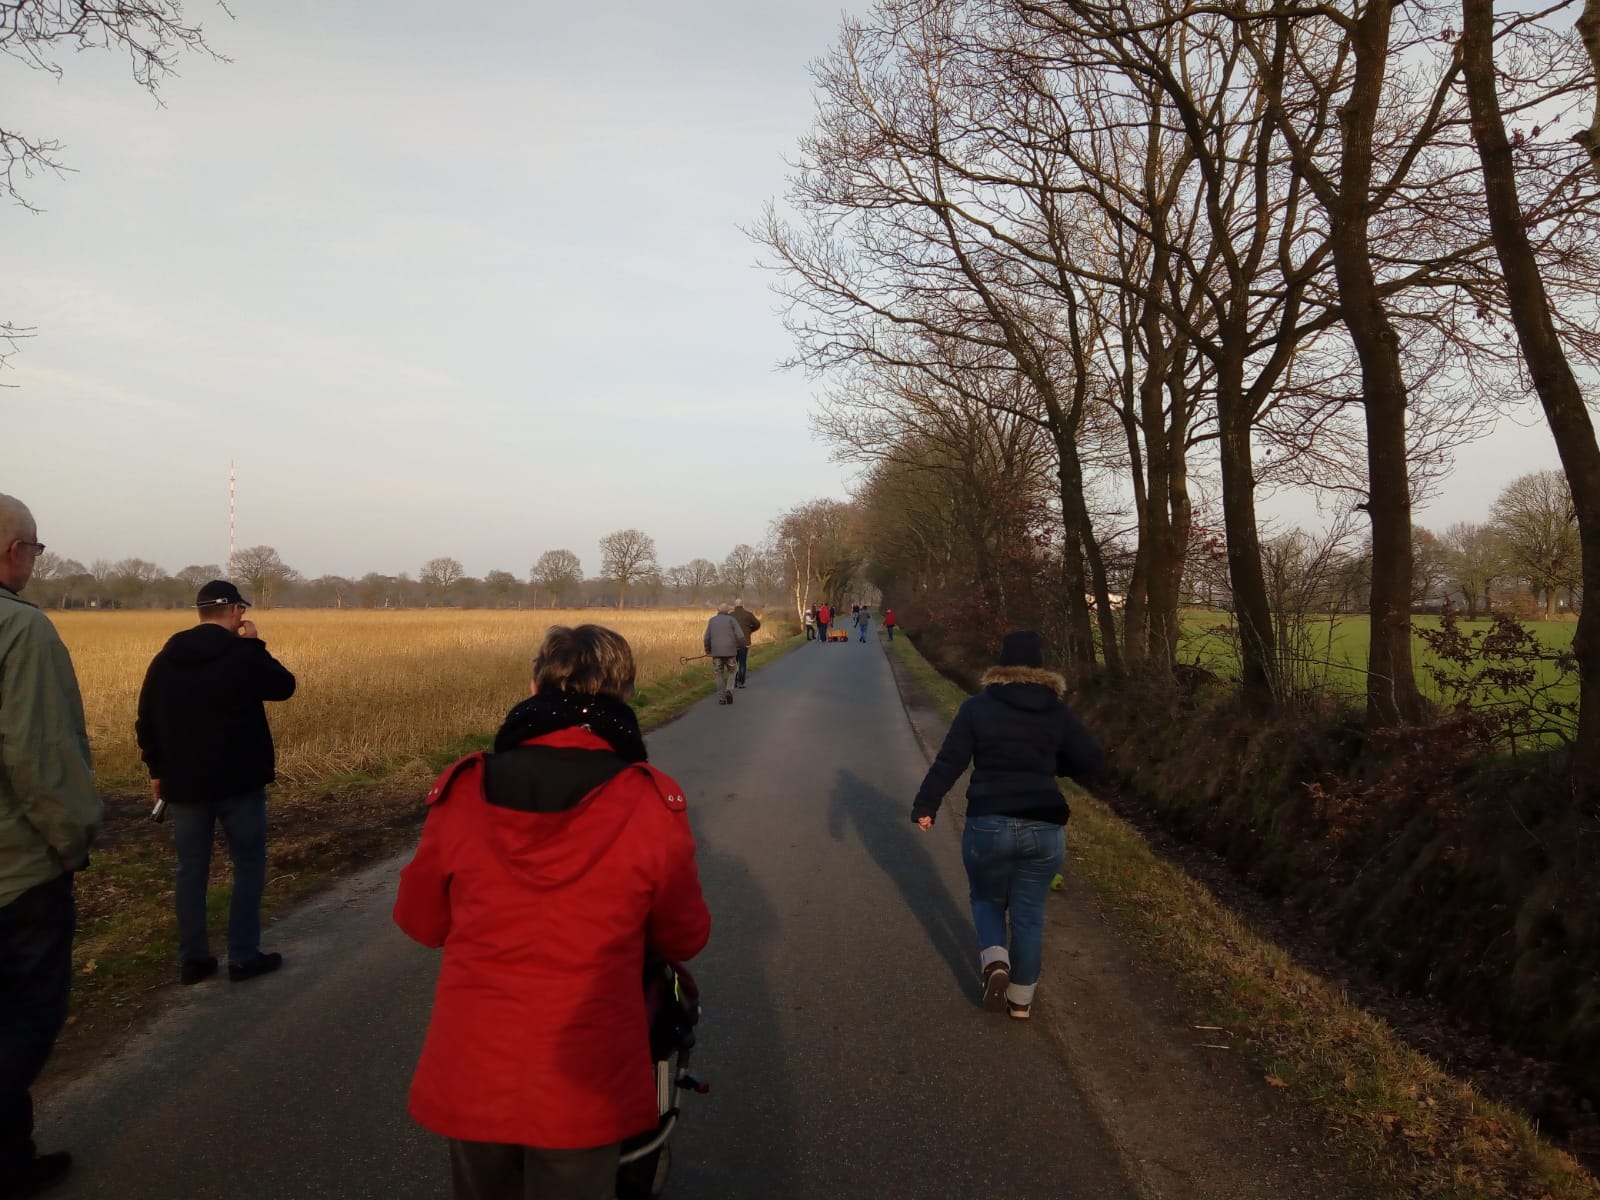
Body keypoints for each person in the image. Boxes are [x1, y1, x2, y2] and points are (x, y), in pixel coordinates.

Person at [394, 624, 710, 1200]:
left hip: (474, 1068)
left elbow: (421, 922)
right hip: (585, 1078)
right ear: (626, 693)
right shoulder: (648, 798)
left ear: (535, 685)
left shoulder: (465, 787)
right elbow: (683, 936)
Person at [910, 631, 1101, 1020]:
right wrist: (1053, 764)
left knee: (986, 899)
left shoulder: (978, 708)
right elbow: (1091, 759)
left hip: (989, 824)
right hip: (1044, 825)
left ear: (1001, 665)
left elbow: (950, 761)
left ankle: (996, 961)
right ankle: (1020, 1002)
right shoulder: (1056, 711)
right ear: (1040, 668)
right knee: (1029, 915)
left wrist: (926, 805)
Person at [0, 494, 102, 1199]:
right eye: (35, 550)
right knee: (24, 1022)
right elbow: (41, 758)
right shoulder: (21, 630)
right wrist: (72, 842)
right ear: (15, 551)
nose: (35, 561)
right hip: (15, 872)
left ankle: (12, 1158)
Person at [135, 580, 296, 985]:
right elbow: (284, 686)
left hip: (184, 784)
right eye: (242, 609)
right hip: (239, 782)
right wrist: (255, 646)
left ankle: (194, 959)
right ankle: (242, 956)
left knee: (191, 869)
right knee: (248, 863)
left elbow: (146, 719)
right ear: (236, 611)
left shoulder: (166, 658)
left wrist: (156, 771)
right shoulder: (242, 654)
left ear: (200, 612)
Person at [703, 602, 747, 705]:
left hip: (716, 654)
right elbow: (740, 636)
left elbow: (706, 638)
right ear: (728, 610)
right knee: (733, 671)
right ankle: (729, 690)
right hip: (730, 652)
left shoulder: (712, 620)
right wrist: (741, 646)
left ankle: (722, 698)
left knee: (719, 674)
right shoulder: (732, 620)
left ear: (718, 610)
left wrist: (708, 650)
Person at [730, 598, 761, 689]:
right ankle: (741, 682)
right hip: (745, 642)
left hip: (733, 643)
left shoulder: (730, 615)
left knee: (734, 663)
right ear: (742, 604)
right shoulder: (748, 614)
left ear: (735, 605)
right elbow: (757, 624)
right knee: (742, 663)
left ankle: (733, 682)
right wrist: (750, 630)